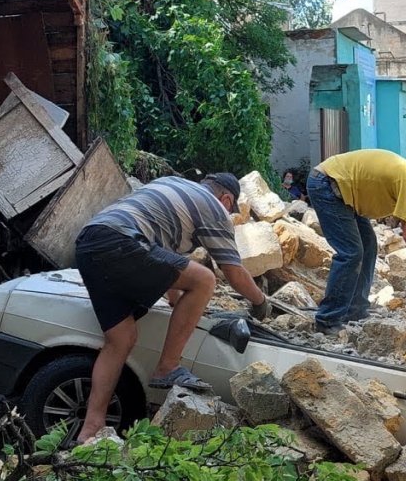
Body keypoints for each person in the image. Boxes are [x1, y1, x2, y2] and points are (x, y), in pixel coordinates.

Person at [74, 173, 271, 443]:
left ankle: (90, 429)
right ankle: (168, 367)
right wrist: (261, 303)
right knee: (204, 280)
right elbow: (233, 272)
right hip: (122, 242)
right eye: (230, 207)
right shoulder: (214, 209)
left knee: (121, 339)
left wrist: (180, 301)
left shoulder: (171, 185)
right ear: (226, 199)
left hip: (90, 243)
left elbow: (162, 262)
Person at [306, 149, 406, 335]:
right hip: (328, 184)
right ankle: (327, 320)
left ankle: (354, 311)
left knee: (368, 247)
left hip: (343, 191)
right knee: (351, 253)